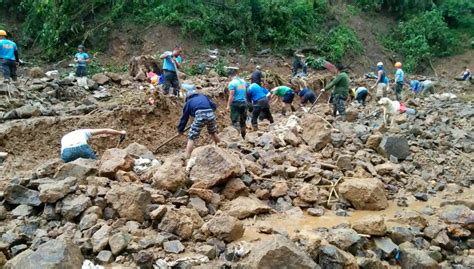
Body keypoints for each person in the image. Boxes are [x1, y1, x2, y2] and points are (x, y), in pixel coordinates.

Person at [177, 85, 220, 158]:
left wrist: (180, 130)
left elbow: (184, 118)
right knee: (213, 132)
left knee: (191, 137)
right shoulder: (203, 97)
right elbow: (214, 106)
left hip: (200, 115)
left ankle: (187, 155)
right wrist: (208, 114)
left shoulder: (189, 102)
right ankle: (220, 146)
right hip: (210, 114)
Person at [61, 129, 126, 163]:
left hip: (67, 151)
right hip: (82, 147)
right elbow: (105, 130)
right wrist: (120, 132)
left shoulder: (65, 137)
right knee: (95, 165)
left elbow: (63, 152)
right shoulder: (84, 131)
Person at [227, 68, 248, 138]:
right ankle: (243, 136)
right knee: (243, 121)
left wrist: (228, 105)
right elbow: (246, 91)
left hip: (236, 104)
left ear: (230, 76)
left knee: (235, 120)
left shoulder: (232, 83)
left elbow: (231, 95)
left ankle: (236, 138)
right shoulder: (242, 81)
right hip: (244, 103)